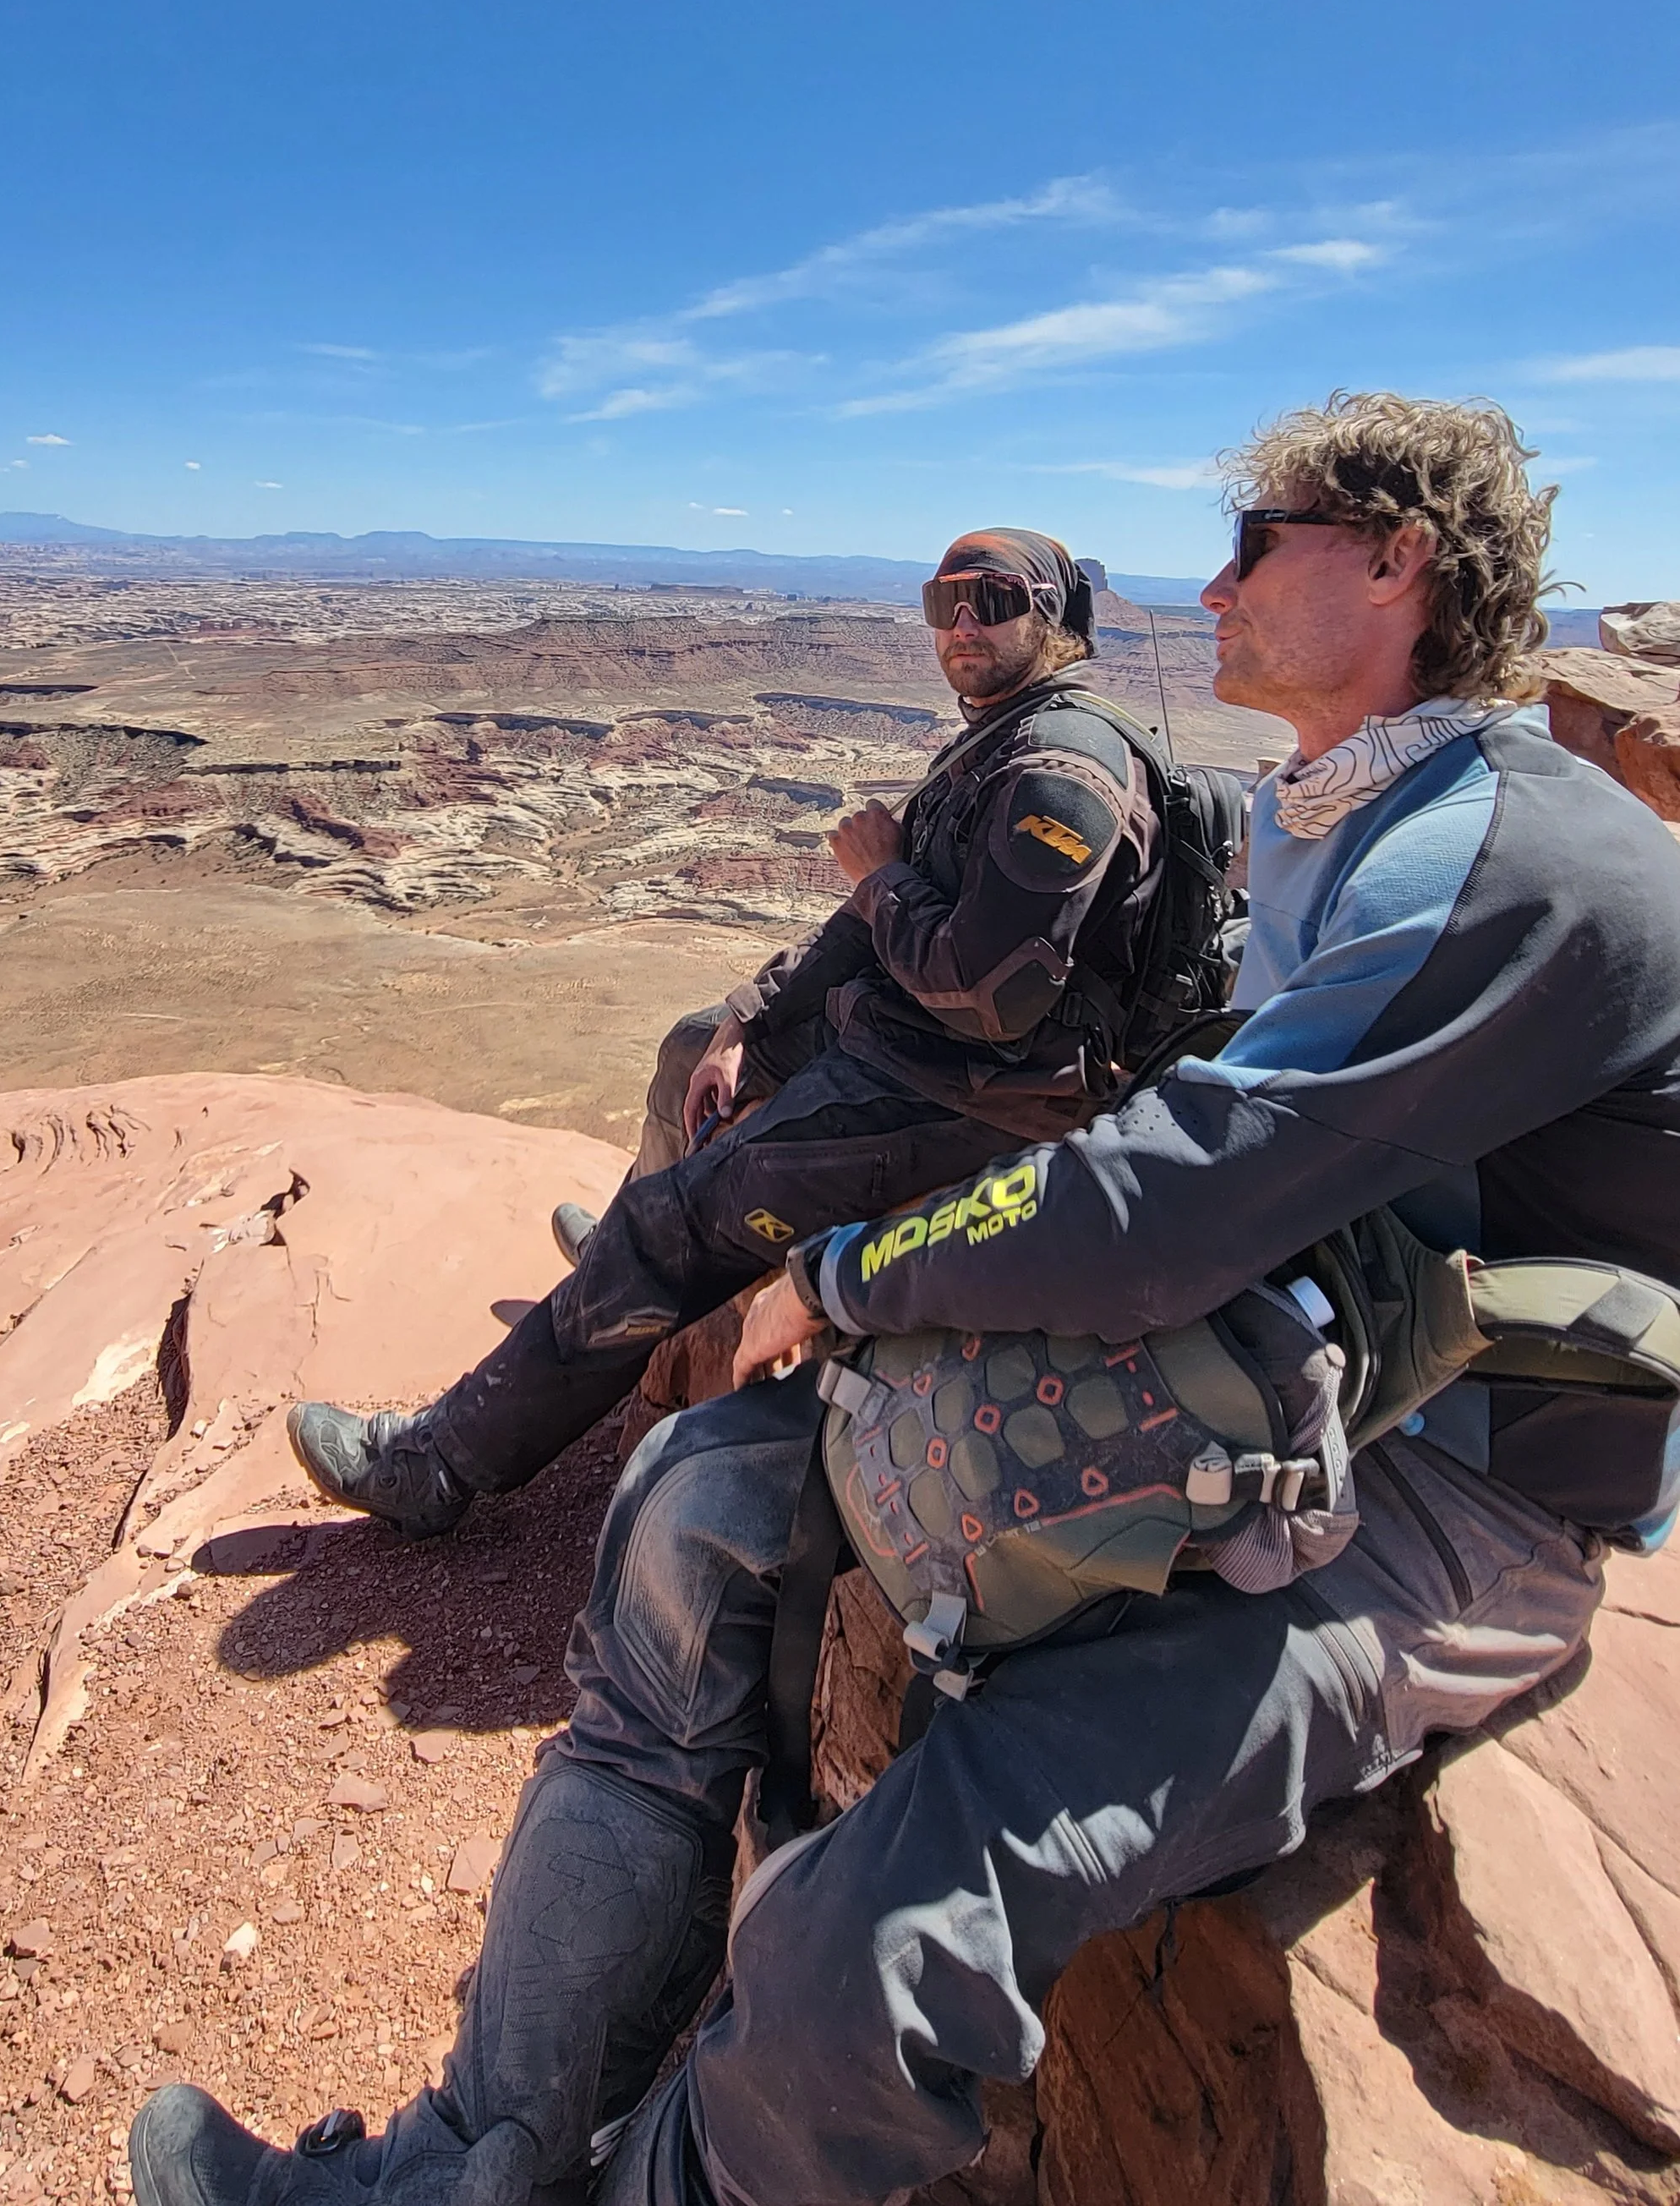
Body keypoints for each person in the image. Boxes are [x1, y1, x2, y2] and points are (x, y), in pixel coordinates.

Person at [130, 392, 1680, 2206]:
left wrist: (853, 1277)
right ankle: (485, 2158)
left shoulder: (1497, 859)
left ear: (1399, 558)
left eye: (1258, 537)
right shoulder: (1347, 810)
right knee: (698, 1497)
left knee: (879, 1917)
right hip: (1273, 1372)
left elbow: (1179, 1183)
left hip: (1442, 1503)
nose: (1213, 576)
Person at [287, 528, 1185, 1539]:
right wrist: (745, 1022)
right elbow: (874, 932)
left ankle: (432, 1467)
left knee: (666, 1229)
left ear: (1055, 617)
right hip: (922, 1046)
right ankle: (621, 1273)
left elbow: (990, 999)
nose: (962, 625)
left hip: (974, 1093)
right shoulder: (1005, 735)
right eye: (944, 604)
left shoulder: (1059, 770)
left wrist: (879, 874)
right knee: (687, 1049)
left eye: (992, 600)